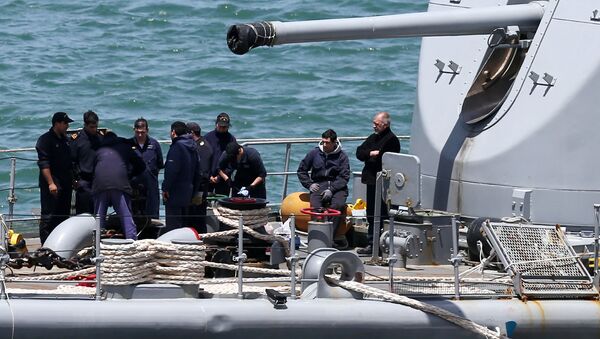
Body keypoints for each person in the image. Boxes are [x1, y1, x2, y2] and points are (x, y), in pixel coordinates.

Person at [356, 111, 401, 255]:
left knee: (382, 213)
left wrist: (371, 155)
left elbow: (382, 158)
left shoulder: (391, 140)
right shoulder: (373, 138)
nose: (373, 126)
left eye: (376, 124)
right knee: (371, 212)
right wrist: (370, 154)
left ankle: (381, 243)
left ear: (385, 124)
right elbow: (359, 152)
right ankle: (371, 242)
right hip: (371, 179)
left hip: (384, 182)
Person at [297, 129, 350, 238]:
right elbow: (302, 170)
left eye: (328, 143)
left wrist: (332, 189)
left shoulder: (342, 156)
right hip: (319, 185)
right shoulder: (314, 153)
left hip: (337, 187)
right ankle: (316, 236)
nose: (325, 145)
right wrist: (309, 184)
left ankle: (330, 237)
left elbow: (344, 177)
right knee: (315, 207)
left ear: (335, 142)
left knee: (337, 206)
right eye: (323, 142)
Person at [93, 132, 145, 240]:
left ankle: (97, 244)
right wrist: (129, 175)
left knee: (99, 218)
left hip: (100, 184)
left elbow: (91, 169)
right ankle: (132, 242)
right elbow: (141, 165)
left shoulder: (98, 149)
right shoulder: (125, 146)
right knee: (126, 216)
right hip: (120, 184)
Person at [36, 112, 74, 243]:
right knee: (49, 215)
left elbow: (70, 161)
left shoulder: (66, 140)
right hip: (52, 184)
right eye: (65, 123)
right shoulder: (45, 140)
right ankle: (46, 244)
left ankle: (60, 243)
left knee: (64, 214)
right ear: (57, 124)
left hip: (66, 183)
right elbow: (44, 164)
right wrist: (51, 183)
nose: (67, 126)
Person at [162, 121, 200, 233]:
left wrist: (165, 188)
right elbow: (198, 172)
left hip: (175, 193)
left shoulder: (177, 147)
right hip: (188, 192)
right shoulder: (193, 147)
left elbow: (171, 170)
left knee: (174, 227)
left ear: (173, 132)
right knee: (184, 226)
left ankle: (174, 248)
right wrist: (194, 190)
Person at [130, 118, 164, 220]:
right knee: (135, 215)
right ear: (134, 130)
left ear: (147, 130)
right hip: (134, 186)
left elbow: (159, 163)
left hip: (151, 186)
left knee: (152, 215)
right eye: (138, 132)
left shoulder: (154, 144)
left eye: (142, 132)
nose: (140, 135)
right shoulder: (129, 144)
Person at [71, 110, 102, 215]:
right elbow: (71, 161)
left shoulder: (100, 138)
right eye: (92, 127)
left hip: (98, 181)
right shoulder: (77, 140)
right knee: (84, 214)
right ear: (85, 125)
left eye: (96, 126)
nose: (94, 129)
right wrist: (74, 180)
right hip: (83, 181)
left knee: (98, 213)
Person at [186, 122, 213, 233]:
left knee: (198, 217)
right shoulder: (195, 145)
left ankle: (201, 241)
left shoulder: (203, 148)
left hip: (199, 190)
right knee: (191, 217)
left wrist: (194, 189)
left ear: (191, 133)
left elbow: (203, 173)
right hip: (193, 188)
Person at [205, 112, 236, 195]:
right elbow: (203, 158)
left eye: (224, 127)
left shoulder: (231, 139)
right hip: (208, 177)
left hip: (224, 177)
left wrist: (221, 176)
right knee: (204, 203)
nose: (222, 128)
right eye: (220, 126)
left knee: (223, 203)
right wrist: (209, 175)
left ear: (228, 126)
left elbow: (232, 161)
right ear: (216, 124)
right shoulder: (207, 138)